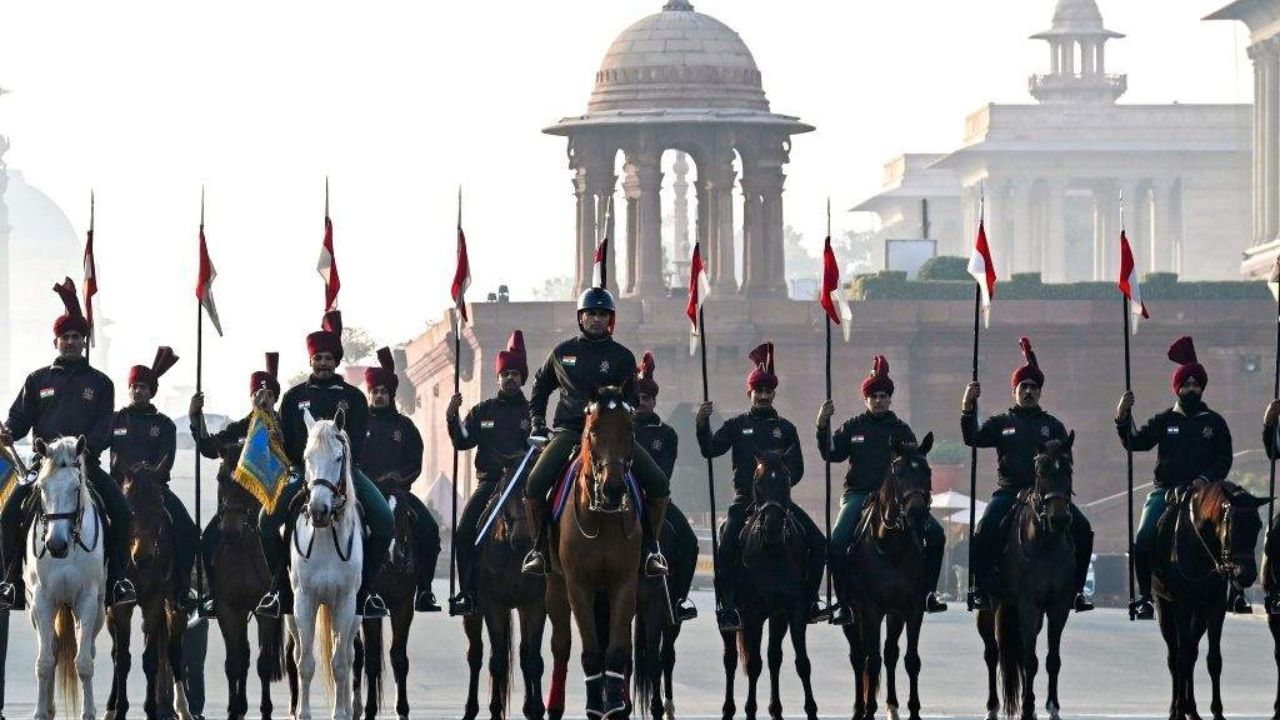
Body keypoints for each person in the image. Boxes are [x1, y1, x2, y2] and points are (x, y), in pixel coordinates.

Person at [0, 278, 136, 610]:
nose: (71, 342)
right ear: (56, 341)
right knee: (7, 512)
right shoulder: (37, 380)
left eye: (77, 337)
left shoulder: (100, 383)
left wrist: (82, 452)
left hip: (84, 465)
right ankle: (10, 580)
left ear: (84, 341)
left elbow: (104, 426)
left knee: (122, 511)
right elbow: (19, 419)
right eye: (66, 337)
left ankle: (118, 579)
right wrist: (7, 430)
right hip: (42, 467)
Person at [520, 286, 670, 578]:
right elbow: (539, 390)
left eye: (603, 314)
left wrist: (619, 415)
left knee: (659, 484)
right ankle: (540, 551)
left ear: (610, 319)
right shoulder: (562, 354)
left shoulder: (623, 357)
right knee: (535, 484)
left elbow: (632, 399)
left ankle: (651, 549)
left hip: (611, 437)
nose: (596, 319)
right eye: (591, 314)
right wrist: (538, 421)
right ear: (581, 317)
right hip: (569, 431)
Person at [255, 311, 396, 619]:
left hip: (344, 473)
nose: (323, 363)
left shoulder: (354, 398)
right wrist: (268, 414)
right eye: (317, 358)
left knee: (386, 520)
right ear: (310, 361)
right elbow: (284, 440)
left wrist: (337, 465)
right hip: (301, 473)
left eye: (328, 358)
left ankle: (366, 590)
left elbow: (357, 440)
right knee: (265, 522)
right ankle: (279, 587)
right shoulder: (293, 397)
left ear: (336, 362)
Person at [696, 342, 828, 631]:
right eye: (759, 391)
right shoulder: (736, 425)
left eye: (769, 391)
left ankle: (811, 601)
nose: (764, 396)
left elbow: (799, 469)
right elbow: (709, 450)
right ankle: (728, 605)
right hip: (744, 501)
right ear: (750, 393)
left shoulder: (787, 428)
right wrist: (701, 423)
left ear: (774, 393)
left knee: (819, 543)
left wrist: (777, 486)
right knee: (727, 544)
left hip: (780, 503)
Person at [963, 337, 1095, 613]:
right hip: (1010, 492)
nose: (1029, 391)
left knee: (1084, 530)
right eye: (1024, 387)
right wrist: (968, 406)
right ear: (1014, 391)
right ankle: (981, 588)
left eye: (1034, 387)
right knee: (984, 528)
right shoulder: (1002, 423)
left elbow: (1065, 463)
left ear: (1040, 392)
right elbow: (972, 438)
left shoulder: (1053, 426)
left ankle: (1077, 591)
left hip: (1048, 495)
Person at [818, 355, 948, 625]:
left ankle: (928, 593)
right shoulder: (853, 427)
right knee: (837, 542)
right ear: (866, 399)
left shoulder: (902, 430)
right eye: (874, 396)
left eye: (883, 395)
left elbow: (916, 465)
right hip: (858, 495)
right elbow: (831, 454)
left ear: (890, 399)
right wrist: (822, 426)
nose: (878, 400)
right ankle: (843, 603)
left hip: (897, 501)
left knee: (936, 535)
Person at [1118, 335, 1237, 619]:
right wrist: (1122, 417)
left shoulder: (1214, 422)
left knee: (1233, 528)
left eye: (1197, 384)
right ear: (1177, 388)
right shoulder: (1165, 420)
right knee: (1144, 537)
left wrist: (1206, 479)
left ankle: (1236, 592)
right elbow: (1137, 441)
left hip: (1204, 492)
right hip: (1166, 493)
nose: (1192, 388)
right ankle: (1146, 597)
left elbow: (1225, 459)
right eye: (1187, 384)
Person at [109, 347, 200, 615]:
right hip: (121, 491)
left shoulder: (164, 424)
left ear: (152, 392)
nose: (138, 392)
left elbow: (167, 459)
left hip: (154, 491)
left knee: (188, 530)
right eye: (134, 387)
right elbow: (98, 445)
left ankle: (182, 589)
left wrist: (146, 474)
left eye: (144, 388)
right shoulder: (115, 420)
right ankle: (103, 583)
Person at [447, 330, 532, 617]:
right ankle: (468, 591)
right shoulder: (483, 410)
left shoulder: (533, 413)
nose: (510, 379)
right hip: (491, 483)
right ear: (498, 378)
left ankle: (554, 582)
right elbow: (462, 441)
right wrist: (452, 417)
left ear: (523, 379)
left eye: (515, 375)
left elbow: (542, 446)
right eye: (505, 374)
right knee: (462, 533)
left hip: (523, 485)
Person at [189, 352, 280, 618]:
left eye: (269, 396)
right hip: (237, 504)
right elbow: (208, 446)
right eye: (258, 395)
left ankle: (284, 591)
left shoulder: (281, 426)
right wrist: (196, 417)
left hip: (270, 502)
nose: (262, 400)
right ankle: (209, 593)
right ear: (250, 398)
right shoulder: (239, 428)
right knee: (208, 538)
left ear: (275, 399)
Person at [362, 346, 441, 613]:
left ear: (391, 395)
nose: (379, 396)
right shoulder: (359, 425)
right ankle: (356, 587)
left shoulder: (404, 427)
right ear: (369, 395)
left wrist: (398, 478)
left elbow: (415, 464)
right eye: (375, 392)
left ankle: (425, 590)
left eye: (384, 392)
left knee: (429, 529)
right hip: (365, 491)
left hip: (399, 492)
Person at [633, 351, 699, 622]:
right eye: (636, 399)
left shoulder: (666, 433)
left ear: (654, 401)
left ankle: (679, 597)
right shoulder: (620, 428)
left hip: (655, 501)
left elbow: (664, 473)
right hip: (620, 497)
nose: (640, 403)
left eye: (646, 398)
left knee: (690, 543)